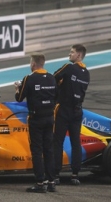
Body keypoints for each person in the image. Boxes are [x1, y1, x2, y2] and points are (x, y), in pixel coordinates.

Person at [14, 54, 57, 193]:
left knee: (37, 151)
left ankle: (40, 183)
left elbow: (19, 98)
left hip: (36, 119)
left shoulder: (29, 78)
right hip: (50, 117)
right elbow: (56, 97)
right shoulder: (52, 77)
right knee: (49, 150)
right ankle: (51, 181)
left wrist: (17, 89)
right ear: (43, 64)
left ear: (33, 64)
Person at [53, 44, 90, 185]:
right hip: (77, 110)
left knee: (58, 141)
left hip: (64, 110)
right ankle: (75, 174)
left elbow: (53, 78)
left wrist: (60, 86)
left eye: (72, 52)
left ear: (78, 55)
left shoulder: (68, 68)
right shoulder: (86, 72)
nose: (69, 54)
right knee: (76, 142)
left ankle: (55, 174)